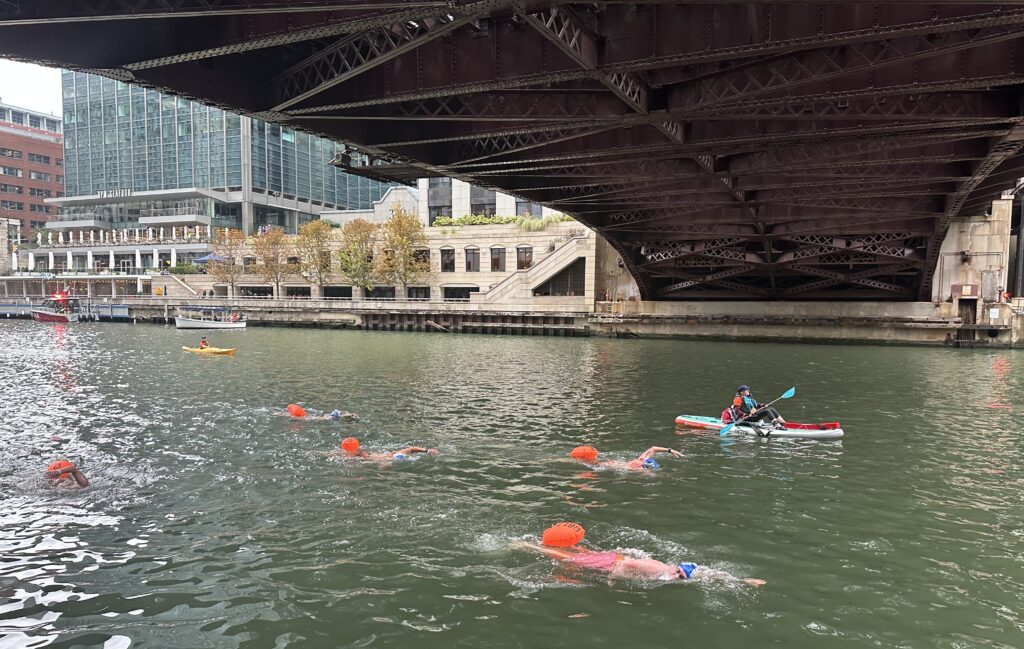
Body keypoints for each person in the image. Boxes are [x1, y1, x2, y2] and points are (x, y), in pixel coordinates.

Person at [519, 542, 765, 586]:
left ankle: (557, 546)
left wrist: (743, 580)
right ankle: (526, 546)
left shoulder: (669, 568)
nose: (679, 579)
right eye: (680, 576)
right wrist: (611, 580)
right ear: (677, 570)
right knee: (568, 559)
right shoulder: (659, 570)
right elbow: (625, 566)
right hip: (611, 564)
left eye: (682, 578)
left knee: (576, 554)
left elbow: (708, 574)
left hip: (614, 558)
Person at [570, 446, 683, 471]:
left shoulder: (640, 460)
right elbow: (649, 474)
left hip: (611, 463)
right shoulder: (639, 467)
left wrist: (669, 450)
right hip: (606, 465)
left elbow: (653, 449)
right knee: (587, 462)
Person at [330, 437, 437, 462]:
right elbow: (411, 449)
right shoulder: (344, 453)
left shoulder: (387, 457)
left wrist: (427, 451)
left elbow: (411, 449)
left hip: (386, 458)